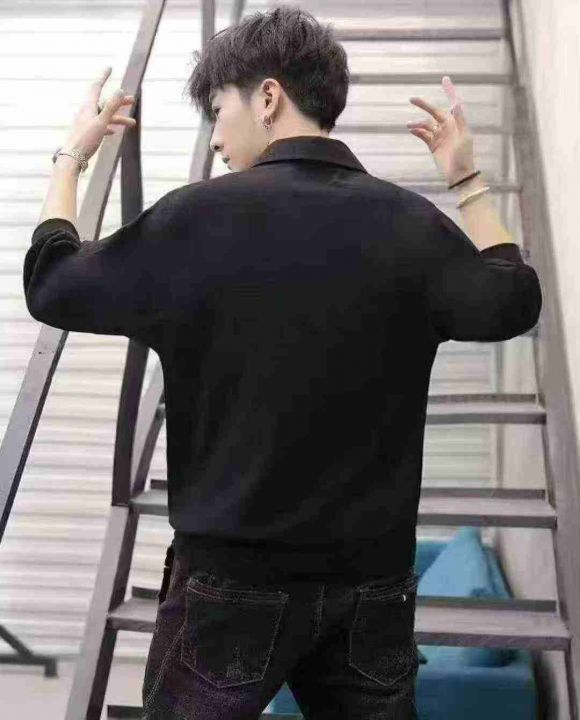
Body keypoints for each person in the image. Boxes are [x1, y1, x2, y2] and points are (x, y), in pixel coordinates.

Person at [24, 5, 542, 719]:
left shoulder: (195, 219)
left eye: (218, 110)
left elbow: (53, 283)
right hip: (371, 587)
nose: (216, 137)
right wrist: (467, 181)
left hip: (230, 586)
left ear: (267, 97)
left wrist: (70, 160)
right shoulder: (410, 224)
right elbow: (513, 300)